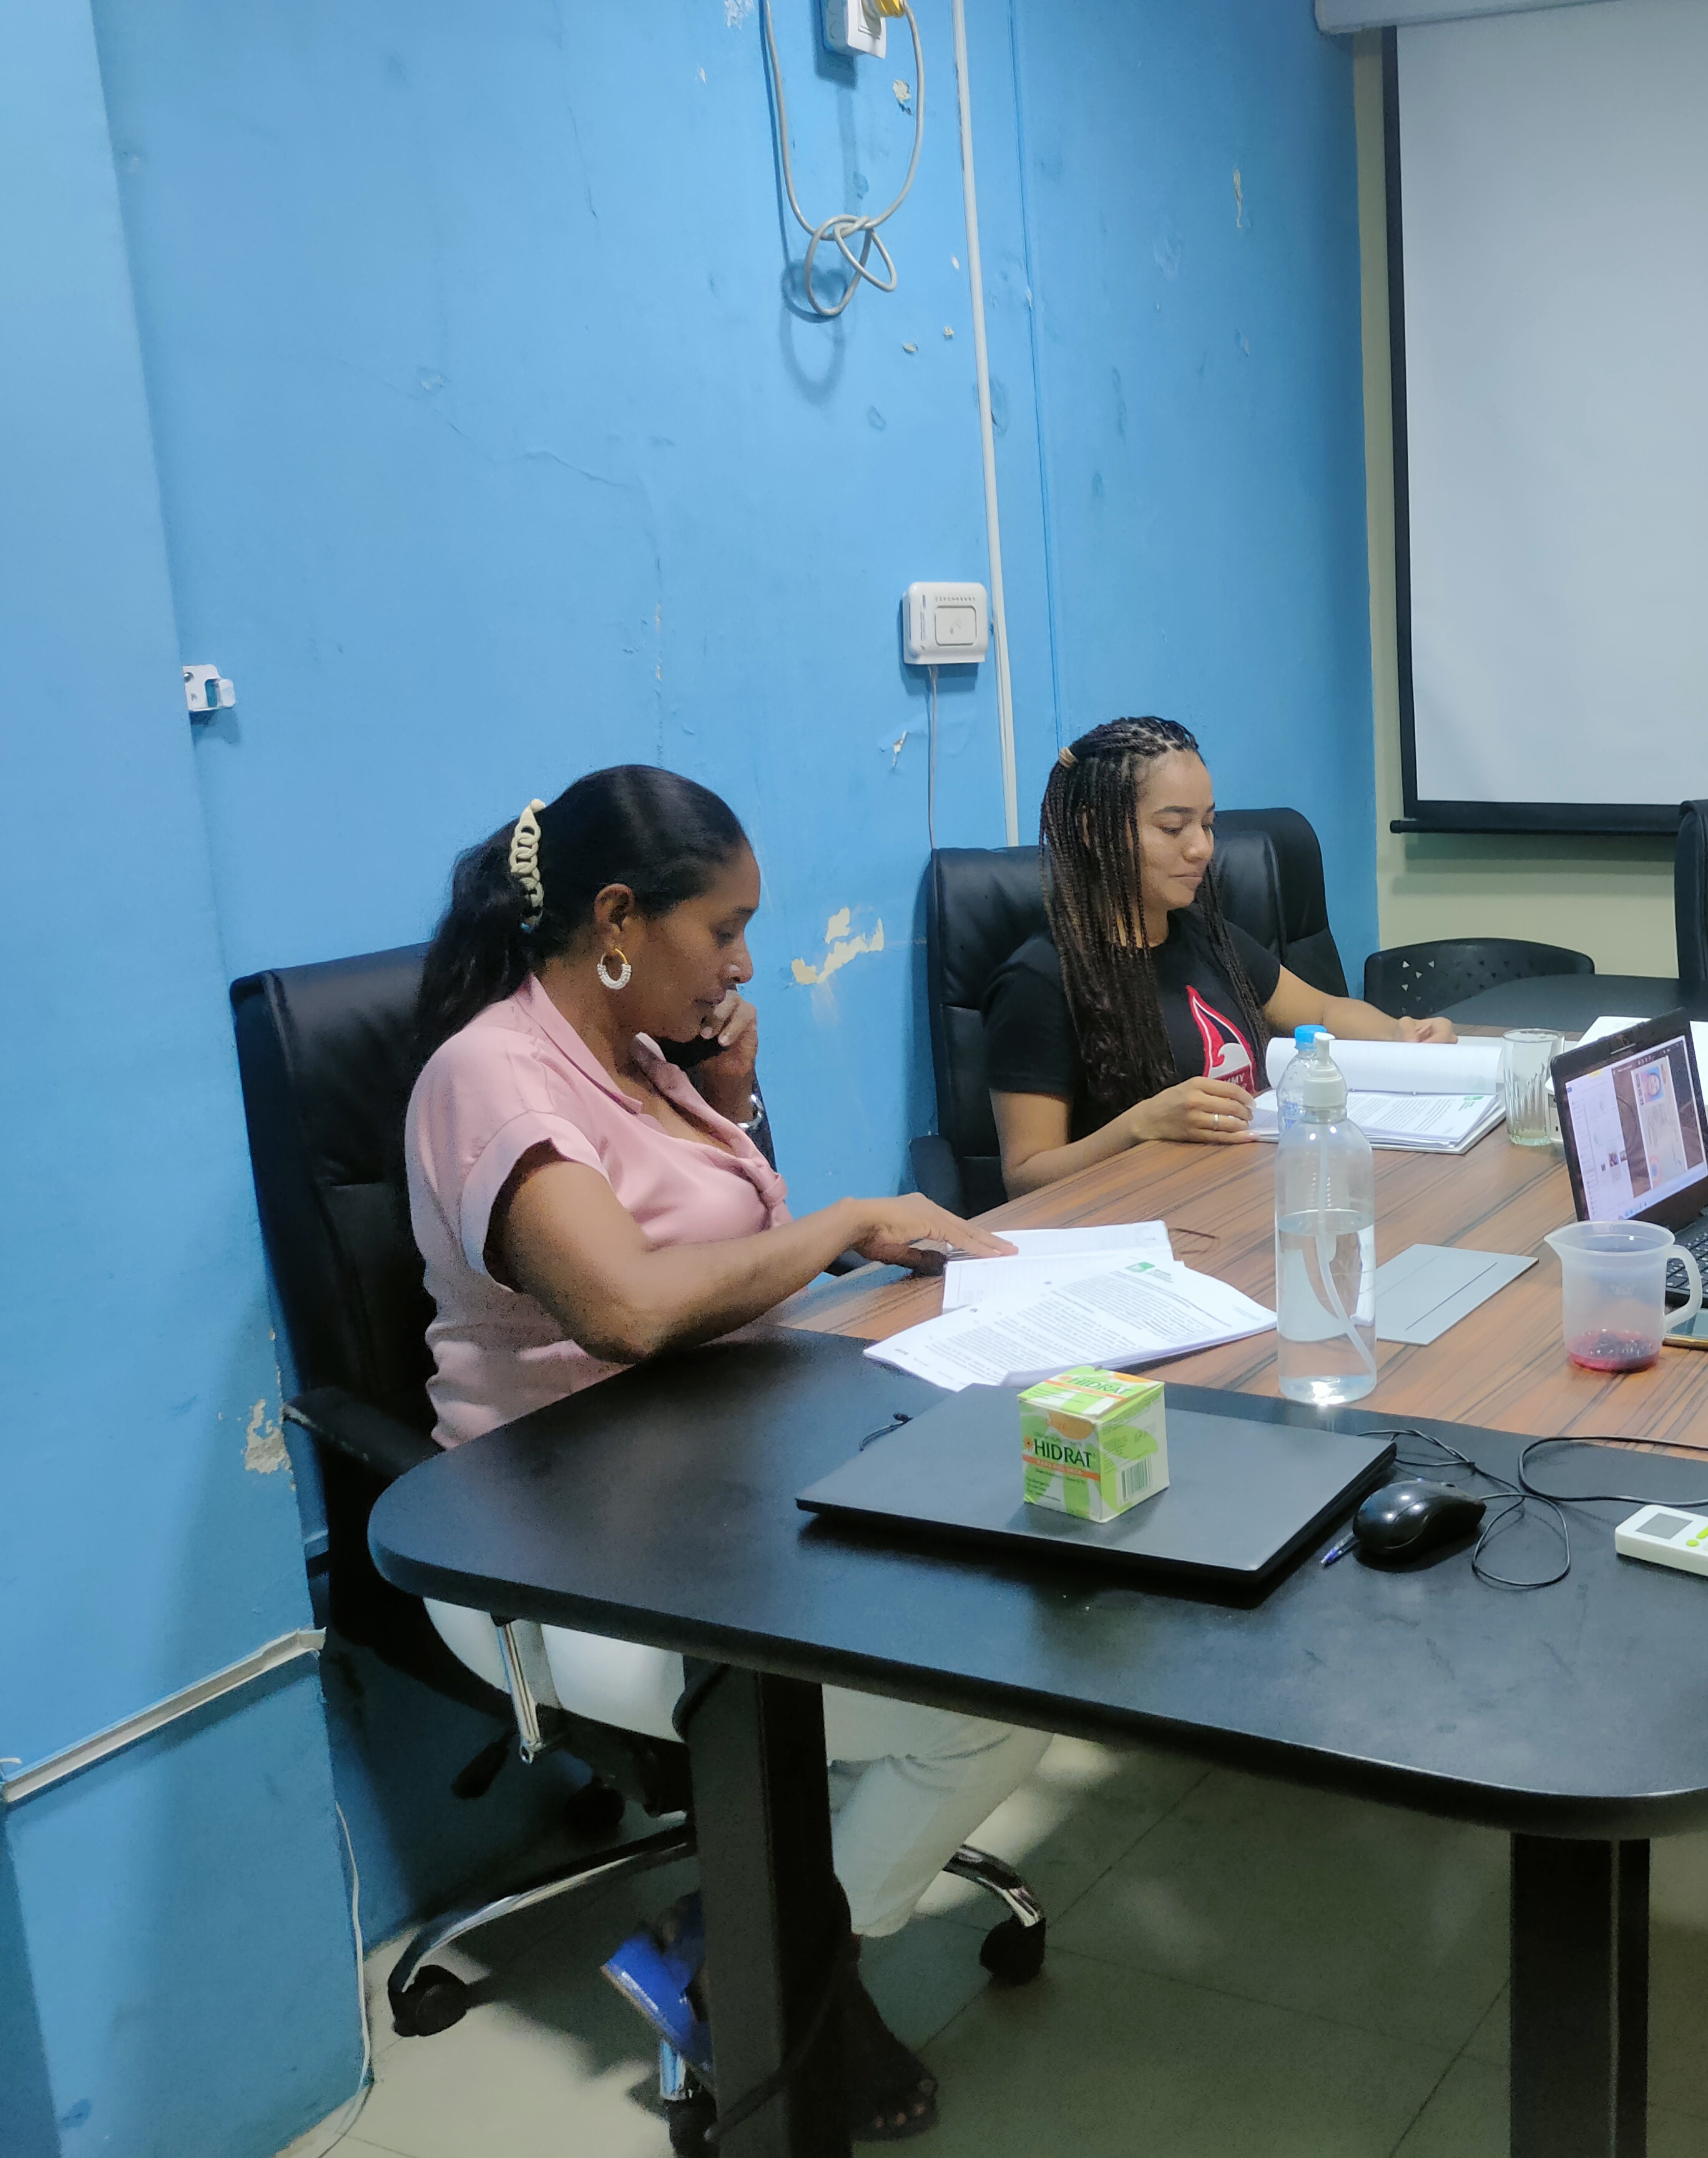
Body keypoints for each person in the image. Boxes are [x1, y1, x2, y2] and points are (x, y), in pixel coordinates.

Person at [404, 766, 1044, 2141]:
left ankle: (747, 1933)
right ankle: (772, 1966)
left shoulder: (641, 1058)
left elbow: (717, 1254)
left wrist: (735, 1104)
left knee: (1013, 1617)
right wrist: (841, 1224)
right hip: (554, 1554)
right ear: (616, 918)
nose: (744, 965)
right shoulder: (491, 1078)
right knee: (988, 1699)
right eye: (726, 930)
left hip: (714, 1492)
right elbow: (626, 1310)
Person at [987, 716, 1458, 1193]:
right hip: (1140, 1213)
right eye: (1173, 827)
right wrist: (1140, 1126)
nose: (1201, 848)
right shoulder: (1040, 981)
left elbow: (1322, 1011)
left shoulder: (1209, 937)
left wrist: (1399, 1033)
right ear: (1093, 830)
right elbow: (1024, 1177)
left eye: (1208, 825)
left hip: (1239, 1191)